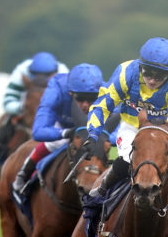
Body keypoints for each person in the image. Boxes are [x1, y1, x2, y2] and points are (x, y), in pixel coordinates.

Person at [84, 37, 168, 201]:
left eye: (159, 76)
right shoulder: (125, 73)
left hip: (165, 129)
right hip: (133, 126)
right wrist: (93, 134)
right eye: (147, 73)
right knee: (125, 158)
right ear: (141, 66)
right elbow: (102, 105)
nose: (152, 80)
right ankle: (99, 195)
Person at [10, 63, 116, 201]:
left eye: (91, 98)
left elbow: (121, 126)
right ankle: (23, 175)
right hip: (65, 126)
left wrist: (106, 138)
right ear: (70, 93)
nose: (85, 104)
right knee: (54, 144)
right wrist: (65, 133)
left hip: (93, 130)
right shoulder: (57, 88)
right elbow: (38, 131)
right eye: (79, 98)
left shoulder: (109, 92)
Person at [2, 51, 69, 117]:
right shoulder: (21, 72)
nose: (41, 80)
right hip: (24, 108)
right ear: (30, 71)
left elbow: (68, 105)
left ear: (54, 73)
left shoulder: (63, 75)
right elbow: (8, 102)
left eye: (45, 75)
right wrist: (22, 107)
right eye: (37, 75)